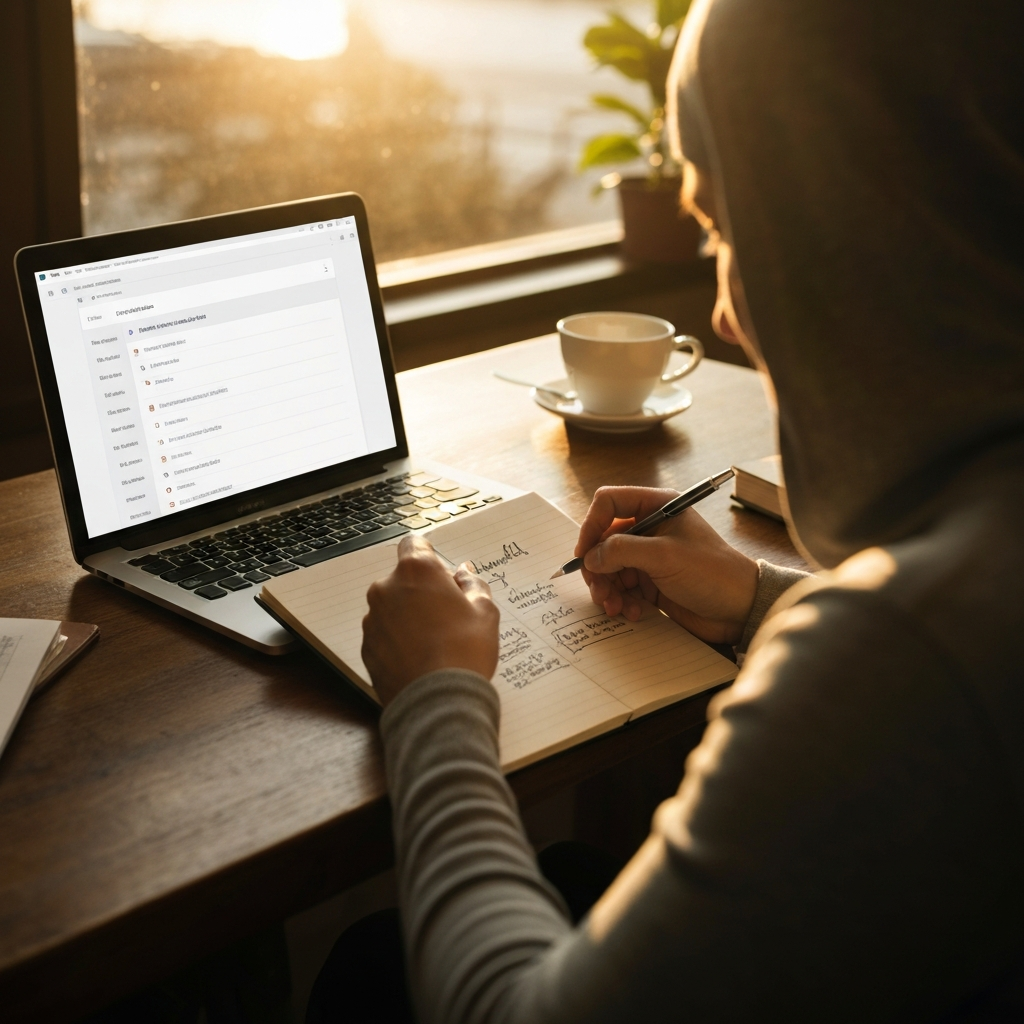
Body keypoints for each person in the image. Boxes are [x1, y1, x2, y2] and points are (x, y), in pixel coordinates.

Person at [310, 0, 1024, 1020]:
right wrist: (754, 597)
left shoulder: (908, 656)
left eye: (732, 228)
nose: (727, 310)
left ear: (853, 237)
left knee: (369, 974)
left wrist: (433, 699)